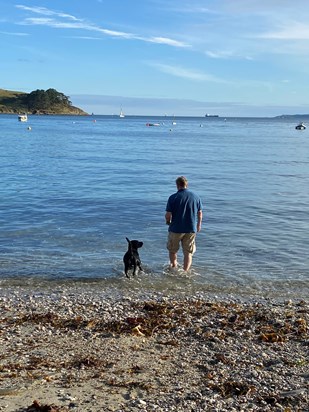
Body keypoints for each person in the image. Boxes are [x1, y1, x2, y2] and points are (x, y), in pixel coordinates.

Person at [165, 176, 203, 272]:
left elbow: (168, 214)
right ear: (187, 184)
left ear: (177, 185)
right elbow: (200, 213)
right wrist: (198, 225)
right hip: (190, 228)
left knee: (173, 250)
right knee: (188, 252)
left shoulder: (173, 197)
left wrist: (168, 222)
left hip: (176, 228)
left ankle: (174, 267)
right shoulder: (196, 197)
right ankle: (185, 271)